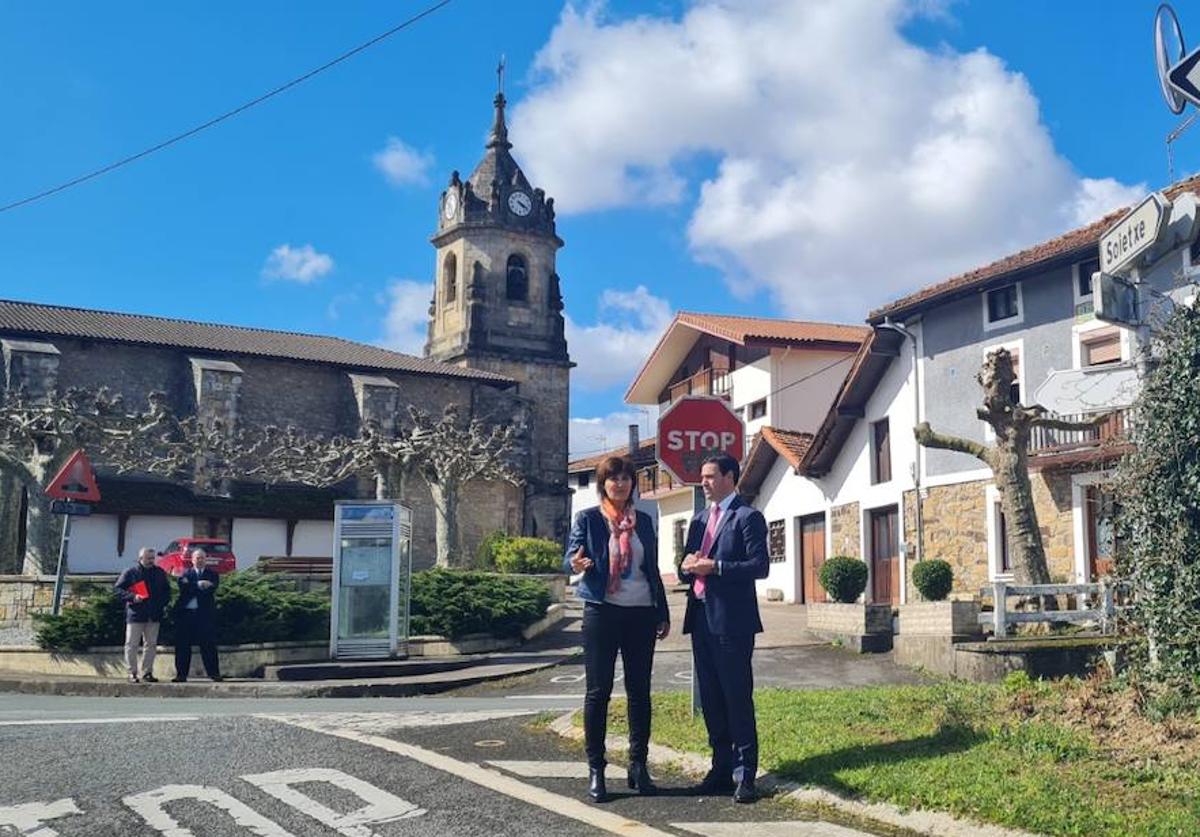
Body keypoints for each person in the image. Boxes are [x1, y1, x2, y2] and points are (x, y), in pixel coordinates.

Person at [564, 455, 670, 803]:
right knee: (599, 692)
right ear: (603, 484)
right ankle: (597, 768)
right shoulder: (590, 519)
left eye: (626, 478)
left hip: (641, 614)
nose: (620, 484)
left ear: (633, 484)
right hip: (602, 612)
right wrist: (576, 562)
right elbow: (571, 556)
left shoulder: (645, 522)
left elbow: (652, 568)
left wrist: (662, 612)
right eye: (613, 479)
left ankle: (638, 765)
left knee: (640, 692)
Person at [680, 453, 769, 804]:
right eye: (701, 476)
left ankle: (745, 774)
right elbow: (688, 561)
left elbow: (759, 566)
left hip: (732, 621)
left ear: (730, 477)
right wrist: (687, 564)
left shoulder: (748, 517)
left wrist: (714, 567)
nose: (703, 482)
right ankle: (720, 768)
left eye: (710, 476)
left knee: (736, 696)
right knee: (712, 699)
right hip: (700, 617)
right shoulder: (700, 519)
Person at [113, 547, 171, 683]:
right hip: (136, 614)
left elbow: (167, 592)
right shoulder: (131, 572)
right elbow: (117, 590)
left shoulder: (159, 573)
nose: (151, 561)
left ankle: (147, 672)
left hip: (154, 615)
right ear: (140, 559)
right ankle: (132, 672)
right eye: (148, 558)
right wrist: (133, 597)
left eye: (153, 558)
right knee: (131, 645)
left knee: (150, 645)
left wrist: (161, 604)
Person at [172, 547, 222, 683]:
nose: (200, 560)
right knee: (183, 646)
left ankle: (214, 674)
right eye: (197, 558)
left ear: (206, 560)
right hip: (186, 615)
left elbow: (210, 590)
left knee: (209, 645)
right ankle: (181, 675)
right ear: (192, 560)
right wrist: (199, 584)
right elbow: (184, 588)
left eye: (202, 558)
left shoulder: (213, 574)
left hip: (204, 616)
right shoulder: (185, 574)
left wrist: (192, 587)